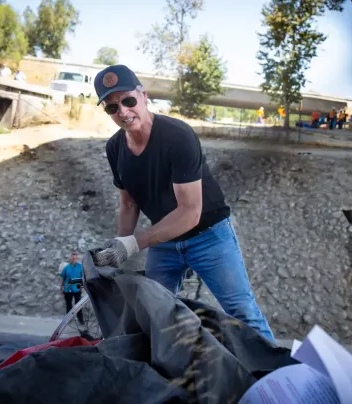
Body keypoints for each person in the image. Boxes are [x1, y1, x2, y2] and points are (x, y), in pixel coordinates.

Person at [90, 64, 276, 342]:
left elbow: (190, 212)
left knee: (242, 312)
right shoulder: (114, 148)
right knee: (150, 314)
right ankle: (163, 373)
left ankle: (282, 379)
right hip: (164, 240)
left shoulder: (177, 136)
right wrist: (120, 248)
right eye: (112, 108)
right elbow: (128, 205)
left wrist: (133, 244)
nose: (123, 112)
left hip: (208, 235)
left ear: (144, 96)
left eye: (128, 101)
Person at [60, 252, 84, 322]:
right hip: (67, 289)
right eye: (73, 257)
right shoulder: (66, 267)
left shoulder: (80, 267)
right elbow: (62, 278)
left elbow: (82, 277)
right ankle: (68, 319)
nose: (74, 259)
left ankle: (80, 319)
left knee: (78, 305)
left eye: (75, 257)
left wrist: (82, 287)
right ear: (70, 258)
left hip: (77, 288)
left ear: (77, 258)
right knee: (68, 305)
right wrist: (61, 288)